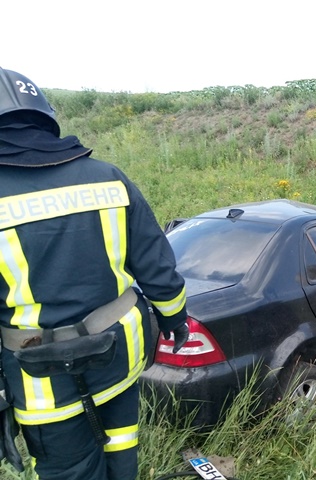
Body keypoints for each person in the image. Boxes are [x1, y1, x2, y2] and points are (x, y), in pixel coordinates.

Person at [0, 68, 189, 479]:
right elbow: (156, 264)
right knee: (122, 451)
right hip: (117, 357)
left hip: (40, 381)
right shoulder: (108, 178)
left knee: (71, 470)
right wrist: (175, 317)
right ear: (43, 115)